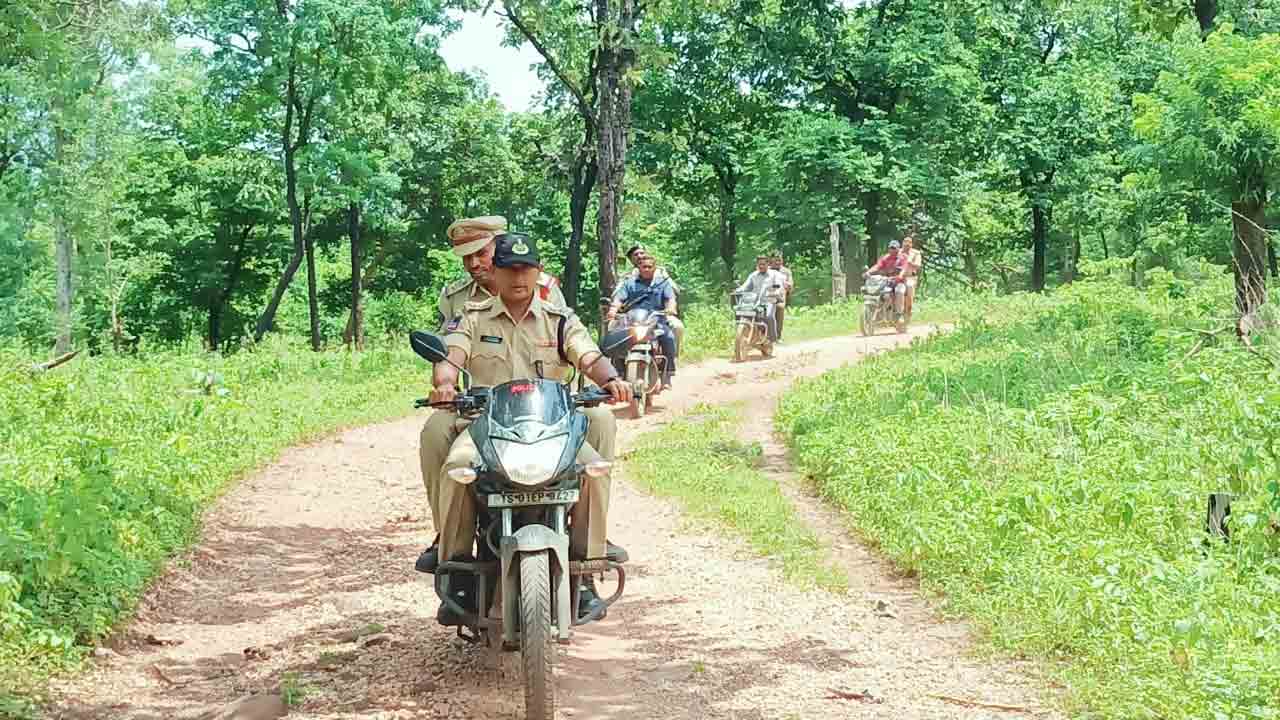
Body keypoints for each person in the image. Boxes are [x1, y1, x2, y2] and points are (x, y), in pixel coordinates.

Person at [428, 231, 632, 623]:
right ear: (496, 273)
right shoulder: (472, 317)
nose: (518, 278)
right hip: (488, 426)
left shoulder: (559, 321)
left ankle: (586, 571)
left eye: (526, 269)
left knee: (594, 470)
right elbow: (451, 354)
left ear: (538, 273)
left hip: (551, 426)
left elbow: (588, 356)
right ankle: (457, 574)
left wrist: (611, 380)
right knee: (457, 470)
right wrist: (445, 384)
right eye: (509, 269)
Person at [418, 216, 567, 576]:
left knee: (596, 426)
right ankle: (449, 536)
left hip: (543, 408)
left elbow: (570, 339)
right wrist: (445, 384)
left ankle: (589, 542)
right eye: (465, 258)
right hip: (483, 407)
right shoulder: (458, 300)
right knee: (437, 432)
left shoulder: (544, 289)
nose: (474, 264)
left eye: (481, 253)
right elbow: (449, 351)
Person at [606, 254, 680, 389]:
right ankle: (616, 373)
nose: (646, 269)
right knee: (615, 337)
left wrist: (671, 308)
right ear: (639, 267)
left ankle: (668, 373)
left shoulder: (662, 283)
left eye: (649, 267)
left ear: (654, 268)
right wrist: (613, 310)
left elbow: (670, 299)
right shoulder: (630, 283)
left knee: (668, 337)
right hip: (633, 320)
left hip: (656, 319)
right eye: (644, 267)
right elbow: (619, 299)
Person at [621, 245, 685, 353]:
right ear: (631, 259)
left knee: (677, 327)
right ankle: (613, 362)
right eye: (636, 255)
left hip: (658, 313)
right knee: (612, 328)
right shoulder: (627, 277)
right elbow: (618, 295)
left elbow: (673, 290)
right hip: (633, 316)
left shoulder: (660, 272)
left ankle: (671, 358)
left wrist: (669, 306)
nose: (640, 256)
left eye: (642, 253)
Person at [734, 256, 785, 343]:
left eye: (763, 264)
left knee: (768, 316)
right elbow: (745, 287)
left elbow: (778, 286)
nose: (761, 266)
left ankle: (773, 339)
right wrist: (736, 291)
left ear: (768, 264)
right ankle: (742, 335)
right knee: (739, 312)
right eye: (759, 264)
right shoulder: (753, 275)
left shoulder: (774, 275)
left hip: (769, 299)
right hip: (754, 301)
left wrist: (776, 292)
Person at [769, 252, 794, 339]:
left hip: (780, 296)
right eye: (775, 260)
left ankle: (778, 336)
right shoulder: (767, 270)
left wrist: (788, 285)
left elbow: (790, 285)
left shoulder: (786, 272)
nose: (777, 262)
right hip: (767, 295)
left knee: (779, 307)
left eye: (779, 260)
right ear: (771, 260)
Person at [896, 235, 923, 317]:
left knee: (909, 286)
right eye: (905, 242)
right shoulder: (898, 252)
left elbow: (918, 265)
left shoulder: (916, 253)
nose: (907, 244)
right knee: (895, 290)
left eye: (909, 243)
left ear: (911, 244)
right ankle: (895, 311)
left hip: (910, 276)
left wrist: (910, 263)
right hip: (898, 276)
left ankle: (909, 308)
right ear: (902, 243)